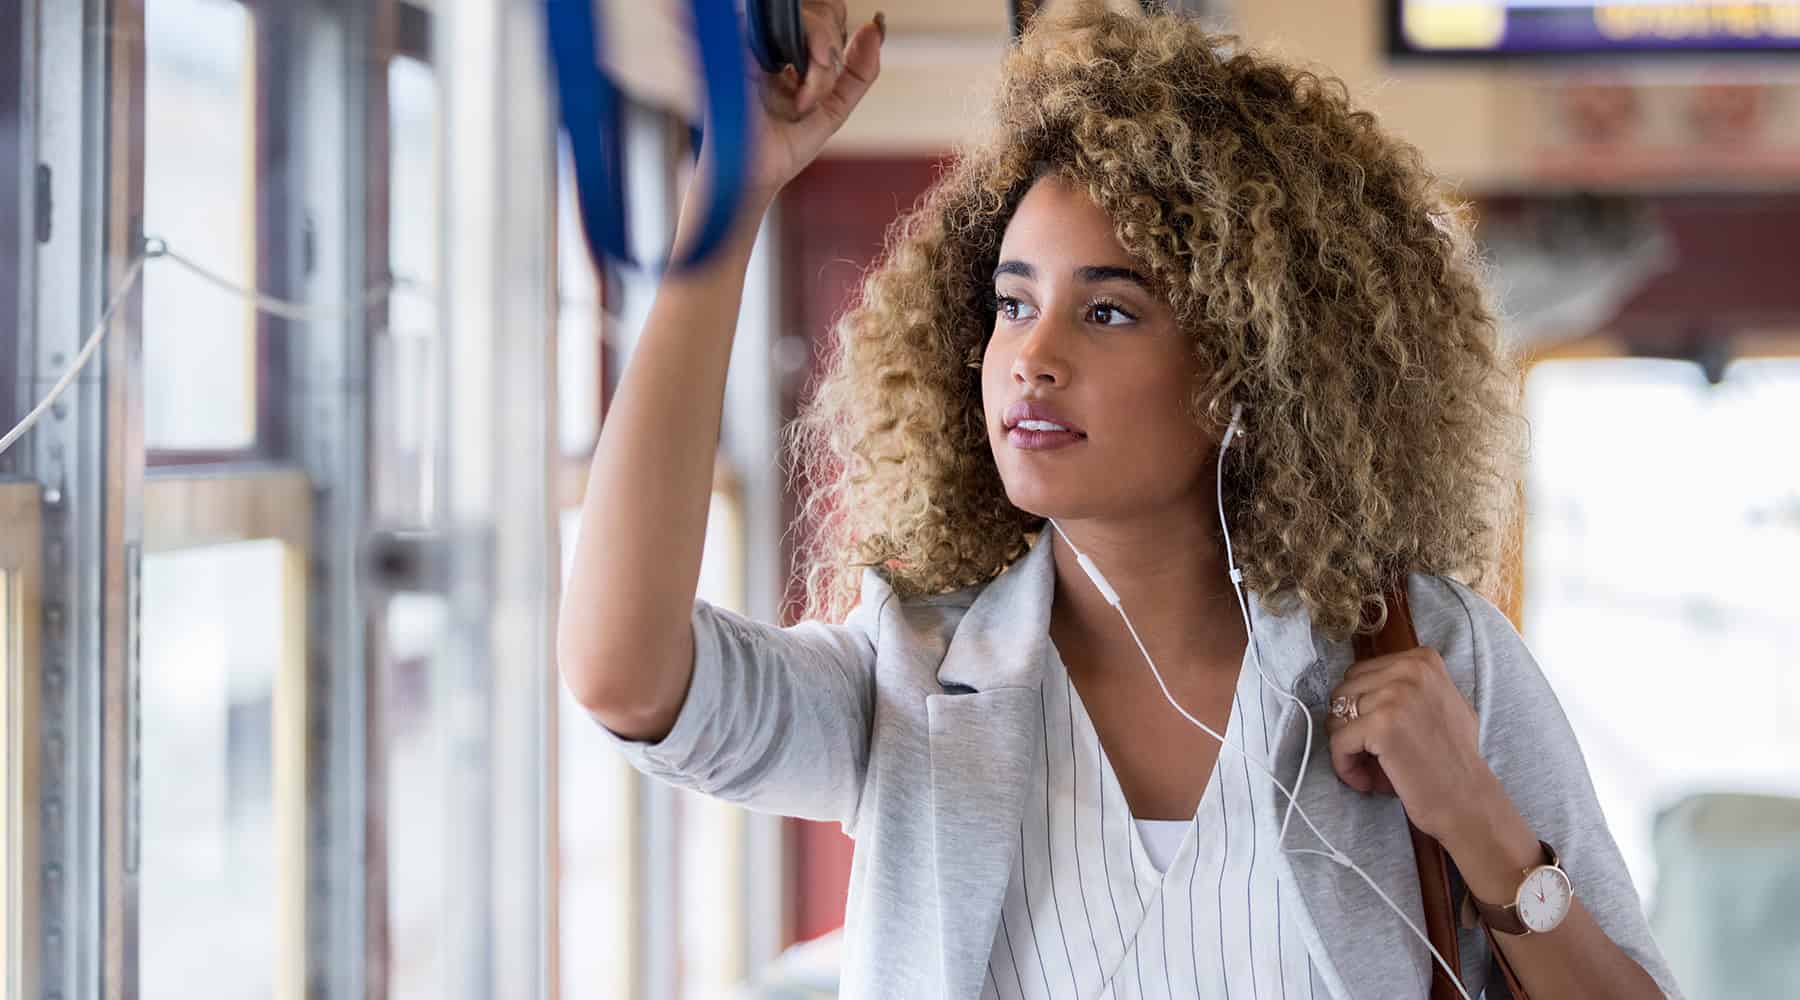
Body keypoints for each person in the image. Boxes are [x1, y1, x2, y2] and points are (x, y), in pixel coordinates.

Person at [558, 2, 1684, 997]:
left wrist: (1480, 824)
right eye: (1010, 303)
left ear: (1249, 364)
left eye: (1107, 313)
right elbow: (623, 674)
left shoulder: (1431, 655)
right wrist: (731, 191)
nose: (1028, 358)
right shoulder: (910, 676)